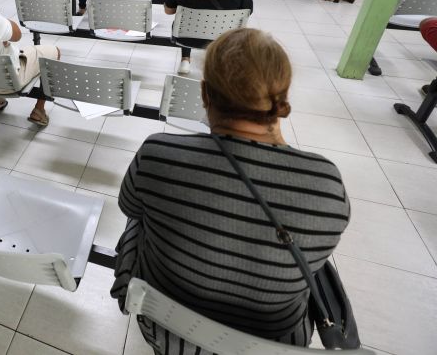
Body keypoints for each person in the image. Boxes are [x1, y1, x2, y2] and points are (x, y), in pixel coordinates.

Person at [111, 27, 351, 355]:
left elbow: (130, 209)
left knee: (142, 214)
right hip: (271, 345)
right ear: (282, 99)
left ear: (205, 95)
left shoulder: (158, 152)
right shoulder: (326, 183)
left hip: (167, 328)